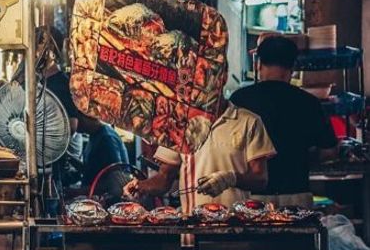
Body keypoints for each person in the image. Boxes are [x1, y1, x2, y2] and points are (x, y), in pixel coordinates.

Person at [230, 34, 337, 208]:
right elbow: (329, 152)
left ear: (258, 65)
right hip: (296, 197)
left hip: (252, 200)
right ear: (293, 68)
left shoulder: (240, 99)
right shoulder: (309, 102)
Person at [124, 99, 276, 215]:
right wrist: (141, 186)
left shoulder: (249, 121)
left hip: (236, 226)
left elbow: (260, 179)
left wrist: (230, 178)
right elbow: (164, 178)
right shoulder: (179, 124)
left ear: (222, 79)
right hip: (193, 226)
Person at [75, 111, 129, 203]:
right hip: (95, 194)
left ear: (88, 117)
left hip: (109, 201)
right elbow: (93, 169)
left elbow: (113, 182)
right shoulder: (95, 135)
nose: (76, 121)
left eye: (78, 117)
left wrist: (76, 192)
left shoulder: (107, 138)